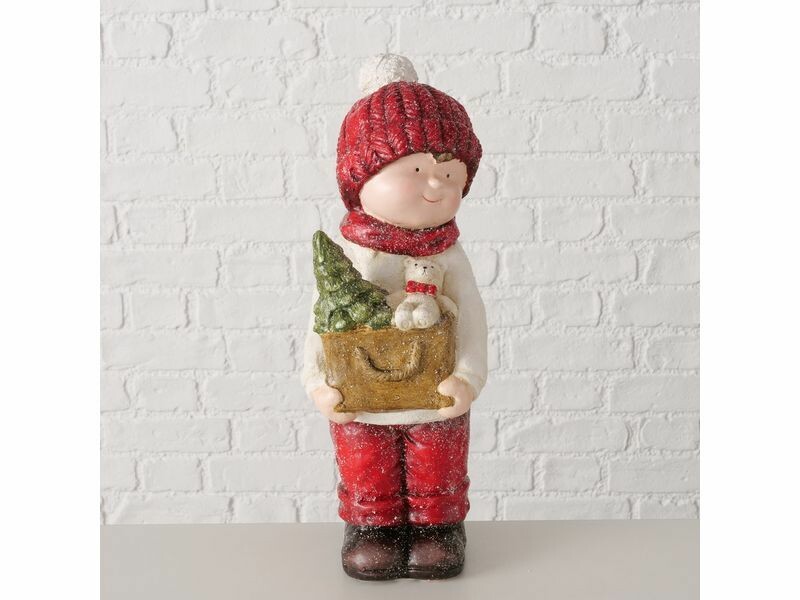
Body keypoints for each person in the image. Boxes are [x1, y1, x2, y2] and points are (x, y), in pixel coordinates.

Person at [301, 54, 488, 581]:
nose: (437, 186)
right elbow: (320, 321)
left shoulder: (447, 255)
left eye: (450, 174)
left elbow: (471, 318)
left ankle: (437, 527)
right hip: (362, 397)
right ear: (361, 175)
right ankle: (373, 527)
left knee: (437, 460)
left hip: (433, 393)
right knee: (366, 461)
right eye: (418, 170)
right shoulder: (350, 254)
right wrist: (319, 382)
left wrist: (468, 376)